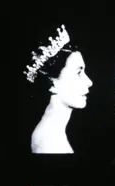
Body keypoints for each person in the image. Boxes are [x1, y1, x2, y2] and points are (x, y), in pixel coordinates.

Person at [24, 24, 93, 154]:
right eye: (78, 73)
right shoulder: (51, 144)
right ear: (53, 83)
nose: (89, 82)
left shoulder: (52, 133)